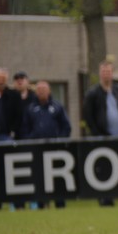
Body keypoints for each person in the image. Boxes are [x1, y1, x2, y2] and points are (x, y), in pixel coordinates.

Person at [83, 60, 118, 206]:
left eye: (109, 71)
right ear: (100, 73)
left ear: (112, 73)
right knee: (104, 166)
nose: (106, 74)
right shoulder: (93, 93)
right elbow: (88, 116)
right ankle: (104, 197)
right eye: (104, 71)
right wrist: (97, 133)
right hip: (102, 137)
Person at [21, 80, 72, 209]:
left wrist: (60, 140)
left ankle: (60, 203)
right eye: (39, 90)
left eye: (44, 89)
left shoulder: (57, 107)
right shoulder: (31, 109)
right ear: (36, 92)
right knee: (40, 177)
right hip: (37, 148)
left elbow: (66, 127)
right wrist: (30, 140)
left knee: (57, 177)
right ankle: (41, 204)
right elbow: (25, 128)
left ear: (49, 91)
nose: (42, 92)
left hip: (54, 148)